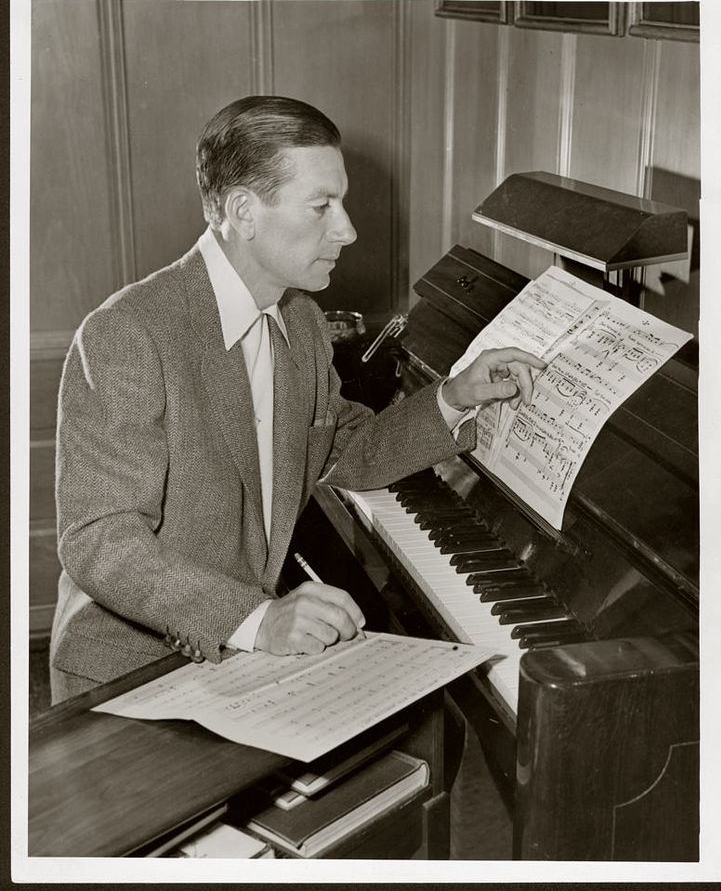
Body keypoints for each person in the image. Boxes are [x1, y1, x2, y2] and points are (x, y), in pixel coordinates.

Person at [49, 95, 545, 704]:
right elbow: (99, 538)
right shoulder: (129, 332)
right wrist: (258, 621)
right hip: (134, 673)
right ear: (243, 210)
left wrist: (454, 396)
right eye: (322, 206)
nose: (348, 230)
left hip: (237, 655)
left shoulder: (301, 321)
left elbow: (344, 451)